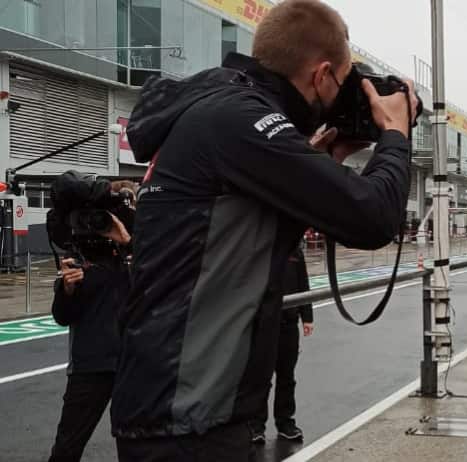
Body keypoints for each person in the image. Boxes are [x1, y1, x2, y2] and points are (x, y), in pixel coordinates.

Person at [111, 1, 417, 460]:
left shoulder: (224, 110)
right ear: (322, 75)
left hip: (184, 408)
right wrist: (394, 133)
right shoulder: (239, 119)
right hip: (187, 418)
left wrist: (323, 162)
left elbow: (239, 233)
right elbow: (374, 217)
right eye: (344, 83)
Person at [48, 182, 134, 462]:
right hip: (90, 365)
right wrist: (68, 289)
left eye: (101, 219)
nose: (96, 226)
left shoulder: (130, 256)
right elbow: (62, 316)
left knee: (135, 444)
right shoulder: (77, 260)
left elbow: (156, 284)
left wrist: (126, 240)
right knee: (67, 447)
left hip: (131, 363)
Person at [249, 246, 313, 443]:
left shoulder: (295, 251)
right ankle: (255, 426)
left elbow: (303, 284)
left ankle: (285, 423)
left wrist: (307, 317)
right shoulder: (259, 246)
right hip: (263, 324)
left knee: (287, 376)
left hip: (289, 323)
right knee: (261, 377)